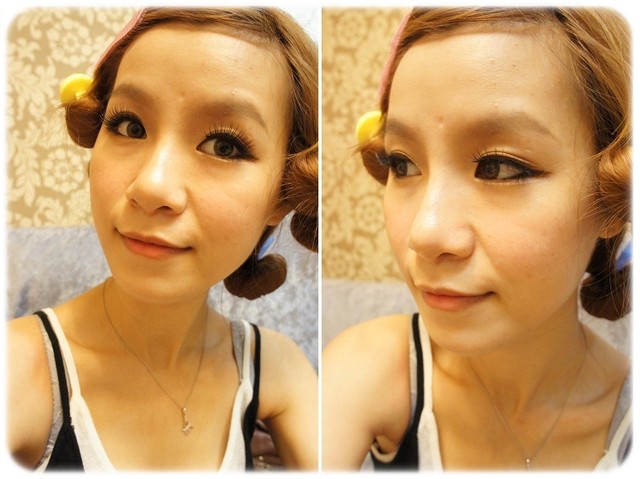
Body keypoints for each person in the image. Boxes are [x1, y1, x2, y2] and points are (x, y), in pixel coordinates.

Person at [7, 7, 318, 471]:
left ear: (281, 194)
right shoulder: (17, 369)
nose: (151, 186)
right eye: (130, 125)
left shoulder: (275, 366)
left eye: (224, 146)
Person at [323, 7, 630, 471]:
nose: (425, 233)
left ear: (613, 198)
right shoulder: (366, 370)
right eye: (402, 163)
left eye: (499, 167)